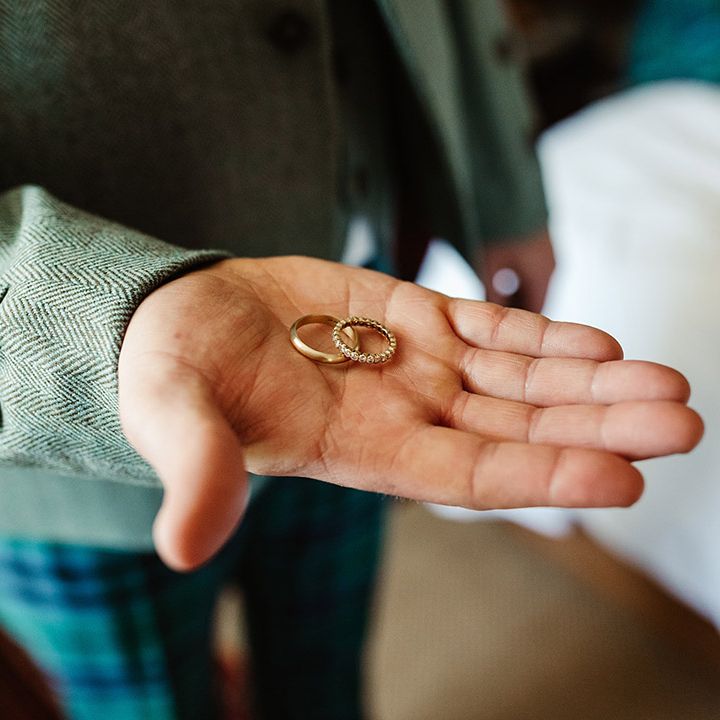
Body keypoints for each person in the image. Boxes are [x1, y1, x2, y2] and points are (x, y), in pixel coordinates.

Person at [0, 1, 702, 718]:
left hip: (360, 357)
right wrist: (100, 322)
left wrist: (503, 191)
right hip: (77, 476)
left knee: (326, 671)